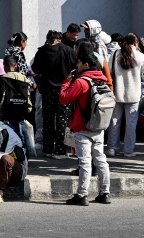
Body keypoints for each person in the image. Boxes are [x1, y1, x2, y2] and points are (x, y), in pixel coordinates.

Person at [60, 51, 112, 206]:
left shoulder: (81, 82)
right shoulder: (102, 81)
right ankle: (105, 193)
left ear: (86, 65)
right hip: (98, 126)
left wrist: (66, 82)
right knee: (101, 160)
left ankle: (82, 195)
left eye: (79, 63)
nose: (77, 65)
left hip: (82, 127)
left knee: (85, 162)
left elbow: (63, 98)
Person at [31, 30, 75, 159]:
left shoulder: (42, 51)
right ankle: (60, 150)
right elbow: (75, 66)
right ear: (59, 39)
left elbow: (35, 69)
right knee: (62, 118)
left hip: (47, 89)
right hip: (64, 88)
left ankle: (48, 149)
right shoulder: (67, 50)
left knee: (48, 118)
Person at [106, 34, 144, 157]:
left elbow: (109, 71)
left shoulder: (115, 54)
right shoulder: (141, 56)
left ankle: (112, 148)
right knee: (131, 123)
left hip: (117, 92)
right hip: (133, 93)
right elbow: (143, 75)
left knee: (114, 121)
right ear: (136, 42)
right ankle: (129, 150)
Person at [0, 56, 33, 131]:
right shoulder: (23, 78)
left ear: (4, 66)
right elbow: (27, 95)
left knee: (11, 132)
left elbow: (1, 97)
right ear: (16, 66)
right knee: (20, 131)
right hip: (22, 110)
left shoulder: (3, 79)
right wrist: (29, 109)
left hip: (8, 112)